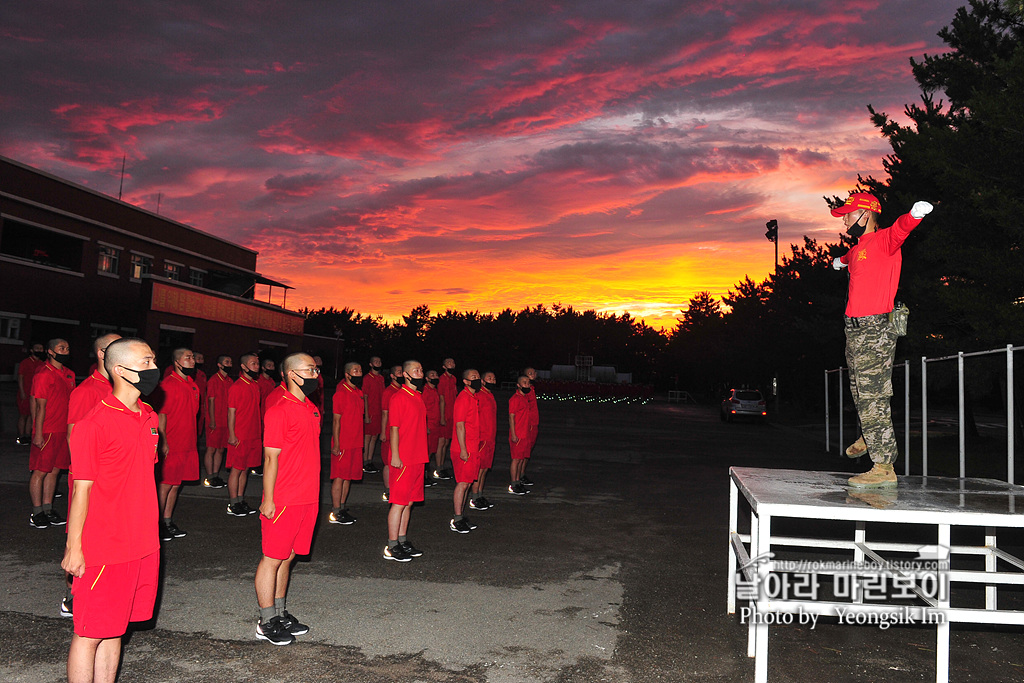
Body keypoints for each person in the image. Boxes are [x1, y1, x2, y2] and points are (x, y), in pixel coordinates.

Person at [63, 337, 161, 683]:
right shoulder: (95, 423)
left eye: (153, 361)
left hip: (143, 542)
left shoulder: (149, 417)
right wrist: (74, 548)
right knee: (89, 634)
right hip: (104, 546)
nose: (154, 369)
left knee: (116, 629)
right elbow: (80, 491)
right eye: (146, 363)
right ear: (120, 370)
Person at [831, 193, 933, 487]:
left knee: (874, 395)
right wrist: (840, 261)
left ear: (865, 215)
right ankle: (870, 433)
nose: (846, 219)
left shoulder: (885, 240)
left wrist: (915, 214)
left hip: (875, 330)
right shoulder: (859, 246)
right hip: (854, 331)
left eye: (850, 214)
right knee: (859, 390)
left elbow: (902, 228)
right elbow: (852, 257)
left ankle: (884, 467)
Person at [254, 353, 321, 646]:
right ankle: (266, 620)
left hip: (308, 497)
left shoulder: (311, 408)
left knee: (289, 556)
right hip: (284, 497)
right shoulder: (279, 409)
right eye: (310, 369)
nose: (315, 373)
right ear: (293, 374)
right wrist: (269, 498)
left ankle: (280, 613)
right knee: (272, 558)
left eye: (316, 368)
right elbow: (270, 458)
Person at [62, 333, 120, 617]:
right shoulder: (86, 390)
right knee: (80, 535)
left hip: (112, 480)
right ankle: (73, 596)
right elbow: (75, 438)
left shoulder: (120, 388)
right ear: (101, 353)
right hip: (90, 478)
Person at [383, 360, 428, 562]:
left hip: (418, 457)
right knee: (399, 503)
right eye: (416, 370)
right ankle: (392, 546)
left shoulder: (418, 396)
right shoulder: (398, 397)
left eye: (421, 369)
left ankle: (402, 540)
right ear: (406, 375)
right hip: (404, 459)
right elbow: (394, 429)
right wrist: (395, 455)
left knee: (409, 503)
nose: (421, 373)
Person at [29, 338, 75, 528]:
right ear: (50, 351)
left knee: (54, 471)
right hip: (47, 430)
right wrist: (38, 433)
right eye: (61, 348)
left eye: (67, 348)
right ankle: (37, 511)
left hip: (63, 430)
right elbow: (39, 407)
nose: (65, 351)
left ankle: (48, 508)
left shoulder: (69, 374)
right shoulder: (43, 374)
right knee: (40, 471)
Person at [156, 348, 200, 540]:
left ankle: (167, 521)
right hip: (172, 443)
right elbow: (161, 415)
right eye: (188, 358)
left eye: (193, 357)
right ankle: (156, 524)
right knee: (165, 485)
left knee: (176, 485)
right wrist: (163, 441)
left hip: (188, 443)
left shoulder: (192, 385)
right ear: (177, 362)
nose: (193, 361)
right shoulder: (168, 384)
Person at [226, 354, 263, 516]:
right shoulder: (237, 387)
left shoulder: (255, 385)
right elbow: (231, 413)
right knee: (237, 469)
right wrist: (232, 434)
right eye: (253, 363)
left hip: (253, 434)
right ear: (243, 366)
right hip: (240, 435)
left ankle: (240, 499)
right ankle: (233, 503)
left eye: (257, 363)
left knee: (246, 469)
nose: (257, 366)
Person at [329, 362, 364, 525]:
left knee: (348, 477)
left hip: (356, 442)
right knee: (339, 476)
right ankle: (335, 511)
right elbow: (336, 421)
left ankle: (342, 507)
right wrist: (336, 443)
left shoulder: (358, 392)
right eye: (355, 371)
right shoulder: (341, 393)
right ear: (347, 374)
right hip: (343, 442)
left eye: (360, 370)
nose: (359, 373)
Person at [450, 369, 481, 533]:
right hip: (464, 448)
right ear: (465, 381)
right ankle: (456, 518)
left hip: (472, 447)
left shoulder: (473, 398)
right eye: (473, 377)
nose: (478, 379)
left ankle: (461, 515)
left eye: (478, 377)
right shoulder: (463, 398)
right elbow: (459, 425)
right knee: (462, 484)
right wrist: (463, 449)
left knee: (468, 483)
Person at [203, 355, 233, 488]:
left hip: (225, 421)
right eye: (227, 362)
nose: (229, 364)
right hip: (215, 420)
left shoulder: (230, 381)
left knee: (220, 449)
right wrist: (212, 420)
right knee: (211, 449)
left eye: (230, 362)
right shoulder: (214, 380)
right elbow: (211, 400)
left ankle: (216, 475)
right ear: (219, 365)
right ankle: (209, 476)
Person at [469, 372, 498, 511]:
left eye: (493, 378)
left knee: (485, 469)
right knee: (478, 470)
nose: (492, 380)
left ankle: (480, 494)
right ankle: (474, 498)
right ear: (482, 381)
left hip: (490, 438)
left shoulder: (490, 395)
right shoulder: (478, 395)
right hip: (482, 438)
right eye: (489, 378)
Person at [378, 365, 404, 502]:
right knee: (388, 462)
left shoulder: (401, 391)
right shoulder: (389, 392)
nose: (401, 375)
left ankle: (396, 487)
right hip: (389, 431)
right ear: (393, 376)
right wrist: (383, 432)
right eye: (399, 372)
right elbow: (384, 414)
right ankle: (387, 490)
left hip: (399, 433)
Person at [508, 375, 536, 495]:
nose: (527, 385)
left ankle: (518, 481)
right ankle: (513, 484)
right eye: (524, 383)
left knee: (520, 460)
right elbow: (511, 417)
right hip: (518, 434)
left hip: (525, 433)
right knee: (516, 460)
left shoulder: (525, 398)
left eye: (528, 383)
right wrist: (514, 434)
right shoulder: (515, 398)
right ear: (518, 385)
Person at [17, 342, 47, 445]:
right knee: (23, 415)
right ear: (31, 350)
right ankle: (21, 436)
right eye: (37, 348)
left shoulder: (42, 364)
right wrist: (22, 391)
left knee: (31, 415)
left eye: (41, 348)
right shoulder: (25, 362)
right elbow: (20, 377)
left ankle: (28, 435)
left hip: (36, 394)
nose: (39, 350)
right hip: (25, 392)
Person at [434, 358, 456, 480]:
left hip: (451, 414)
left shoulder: (453, 379)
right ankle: (438, 468)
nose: (451, 365)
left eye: (452, 363)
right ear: (443, 366)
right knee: (441, 442)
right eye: (448, 363)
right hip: (444, 414)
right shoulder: (441, 379)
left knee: (446, 442)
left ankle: (442, 466)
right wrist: (442, 417)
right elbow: (441, 399)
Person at [361, 356, 385, 473]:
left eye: (379, 361)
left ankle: (370, 460)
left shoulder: (381, 378)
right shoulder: (367, 378)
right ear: (370, 364)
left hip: (379, 412)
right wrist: (366, 414)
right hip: (370, 411)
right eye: (375, 361)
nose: (378, 363)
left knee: (374, 437)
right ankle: (365, 461)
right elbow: (365, 396)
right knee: (367, 437)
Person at [422, 369, 442, 487]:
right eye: (432, 375)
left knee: (431, 452)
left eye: (436, 374)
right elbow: (423, 410)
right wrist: (426, 425)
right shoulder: (425, 391)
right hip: (429, 426)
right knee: (426, 453)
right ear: (427, 379)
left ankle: (426, 476)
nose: (435, 376)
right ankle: (423, 477)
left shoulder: (435, 390)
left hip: (435, 425)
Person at [520, 366, 540, 487]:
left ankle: (522, 473)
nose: (532, 375)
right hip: (528, 425)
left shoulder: (532, 389)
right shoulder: (524, 391)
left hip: (534, 424)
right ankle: (520, 475)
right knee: (523, 453)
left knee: (528, 452)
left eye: (533, 373)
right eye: (529, 374)